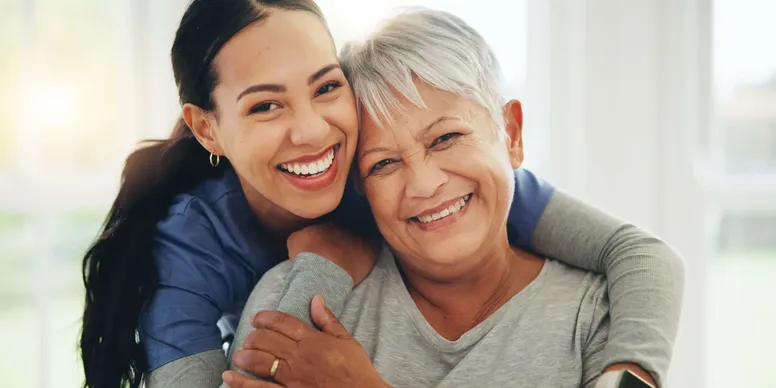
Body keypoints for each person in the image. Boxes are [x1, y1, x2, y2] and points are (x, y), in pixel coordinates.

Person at [78, 1, 683, 388]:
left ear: (513, 134)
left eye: (325, 88)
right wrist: (321, 267)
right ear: (208, 126)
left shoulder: (574, 297)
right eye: (266, 104)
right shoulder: (194, 253)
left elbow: (643, 255)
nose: (313, 130)